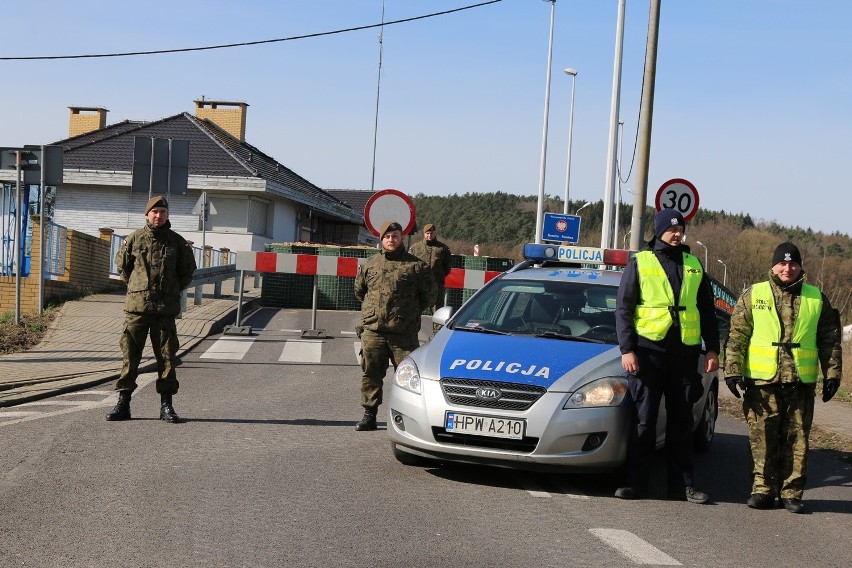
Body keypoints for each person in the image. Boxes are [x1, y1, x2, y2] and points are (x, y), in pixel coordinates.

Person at [723, 242, 842, 513]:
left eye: (793, 264)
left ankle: (792, 492)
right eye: (782, 263)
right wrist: (732, 370)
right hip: (762, 381)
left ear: (800, 267)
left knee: (797, 438)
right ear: (773, 266)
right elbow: (736, 336)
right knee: (762, 436)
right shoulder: (754, 294)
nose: (787, 268)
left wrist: (832, 373)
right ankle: (762, 490)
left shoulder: (816, 298)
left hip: (801, 380)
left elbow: (829, 339)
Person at [614, 208, 720, 503]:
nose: (677, 234)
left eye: (681, 229)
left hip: (684, 355)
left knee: (682, 422)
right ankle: (635, 484)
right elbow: (624, 309)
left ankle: (683, 486)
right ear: (659, 231)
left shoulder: (694, 264)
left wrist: (712, 348)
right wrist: (627, 350)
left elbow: (708, 312)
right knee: (644, 421)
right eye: (671, 229)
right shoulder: (641, 262)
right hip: (648, 353)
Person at [106, 195, 197, 423]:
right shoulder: (134, 240)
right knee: (130, 357)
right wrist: (138, 289)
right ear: (147, 214)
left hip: (164, 310)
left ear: (167, 215)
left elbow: (186, 273)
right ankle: (123, 404)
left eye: (163, 212)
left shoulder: (177, 242)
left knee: (166, 358)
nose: (159, 216)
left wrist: (169, 291)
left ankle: (166, 406)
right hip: (136, 310)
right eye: (155, 212)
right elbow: (123, 269)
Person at [353, 221, 437, 431]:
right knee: (371, 373)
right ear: (382, 239)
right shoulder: (370, 264)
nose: (392, 240)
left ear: (402, 238)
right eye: (388, 237)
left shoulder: (416, 266)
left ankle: (408, 418)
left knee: (409, 378)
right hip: (374, 331)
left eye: (396, 236)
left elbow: (429, 295)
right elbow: (359, 291)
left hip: (403, 333)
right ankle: (369, 415)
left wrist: (407, 312)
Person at [409, 223, 452, 315]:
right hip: (419, 286)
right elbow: (409, 265)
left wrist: (438, 277)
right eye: (427, 233)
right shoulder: (415, 248)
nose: (429, 235)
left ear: (435, 233)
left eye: (431, 233)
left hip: (436, 286)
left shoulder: (443, 249)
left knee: (438, 313)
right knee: (414, 311)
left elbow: (447, 267)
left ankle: (438, 330)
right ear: (424, 234)